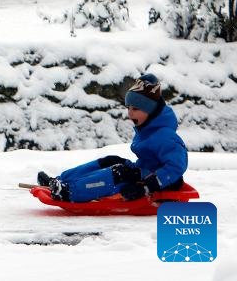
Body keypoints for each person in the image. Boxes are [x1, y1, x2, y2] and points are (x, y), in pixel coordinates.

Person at [36, 74, 187, 203]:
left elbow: (177, 166)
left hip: (160, 183)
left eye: (135, 109)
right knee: (111, 160)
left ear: (151, 111)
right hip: (143, 171)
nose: (130, 114)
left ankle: (70, 192)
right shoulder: (149, 128)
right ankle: (61, 180)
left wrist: (146, 187)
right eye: (128, 108)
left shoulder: (165, 136)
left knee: (119, 174)